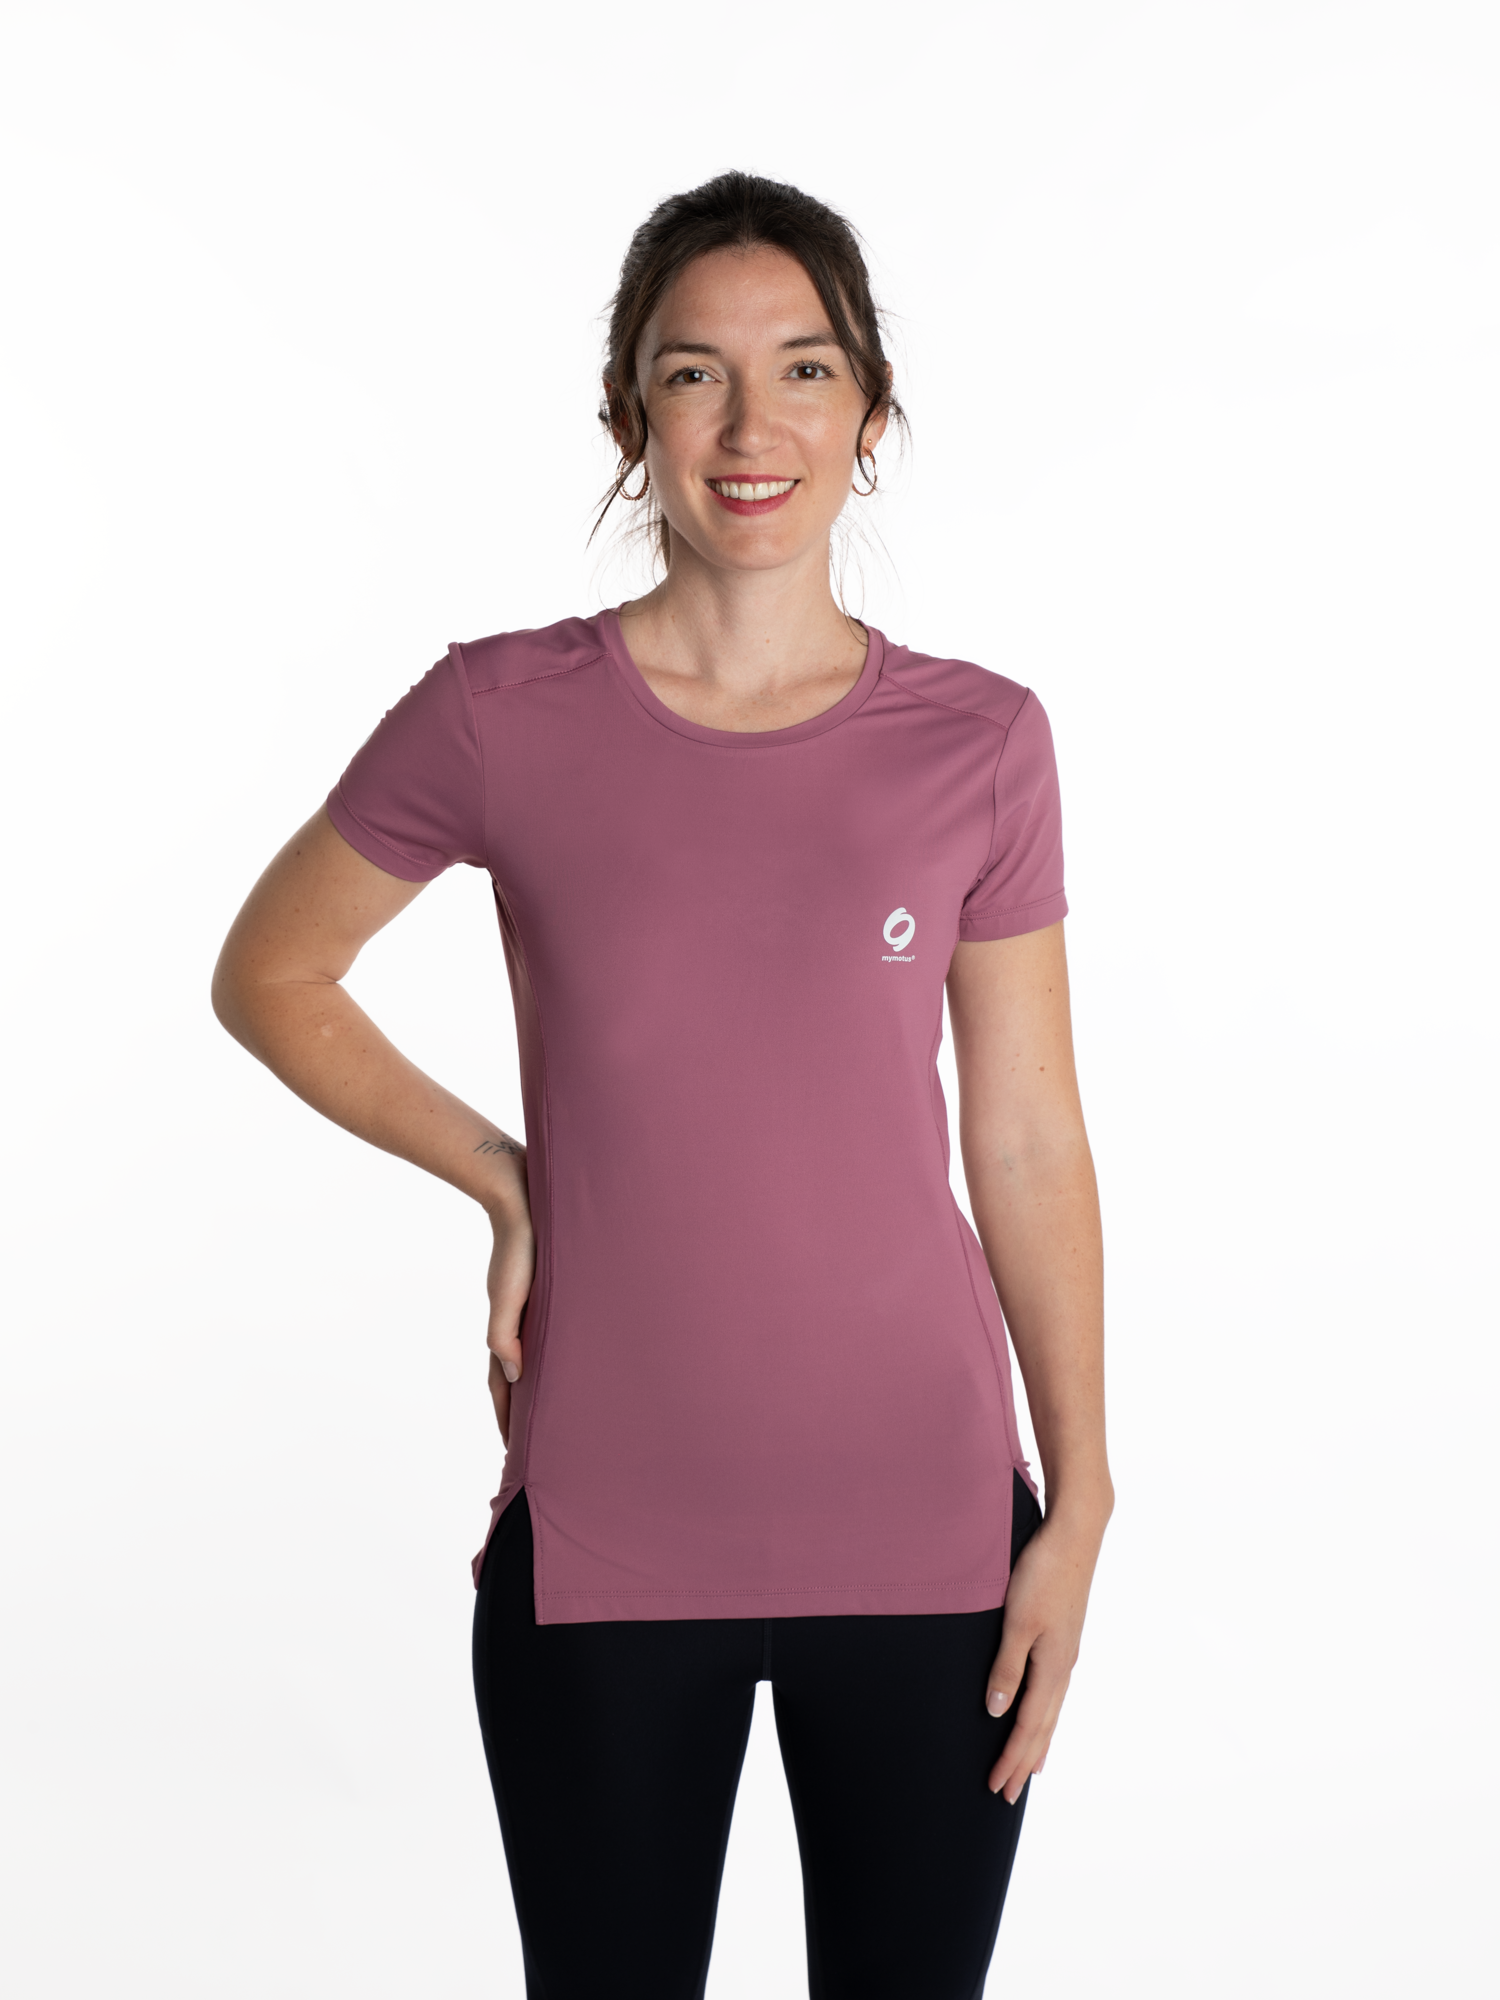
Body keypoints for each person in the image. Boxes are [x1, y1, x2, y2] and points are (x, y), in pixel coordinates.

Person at [213, 170, 1112, 2000]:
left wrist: (1080, 1500)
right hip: (604, 1539)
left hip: (934, 1533)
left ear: (871, 413)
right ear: (630, 418)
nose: (752, 426)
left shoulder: (980, 742)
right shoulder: (498, 717)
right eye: (695, 374)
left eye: (805, 370)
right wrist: (506, 1177)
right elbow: (273, 973)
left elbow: (1025, 1137)